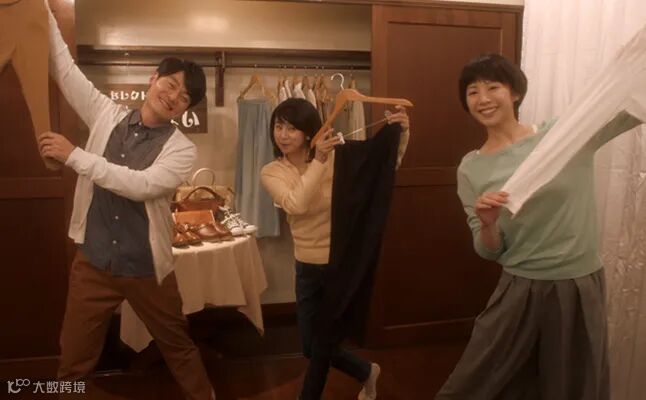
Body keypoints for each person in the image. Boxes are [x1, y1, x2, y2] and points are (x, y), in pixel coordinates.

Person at [435, 53, 644, 400]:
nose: (483, 98)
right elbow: (488, 250)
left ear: (515, 92)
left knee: (571, 386)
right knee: (475, 384)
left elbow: (630, 108)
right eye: (472, 92)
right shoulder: (471, 168)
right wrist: (488, 224)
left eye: (493, 87)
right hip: (520, 287)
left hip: (578, 284)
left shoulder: (562, 136)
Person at [39, 7, 214, 400]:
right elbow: (62, 67)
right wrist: (42, 10)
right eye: (170, 84)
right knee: (72, 359)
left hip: (147, 269)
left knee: (178, 349)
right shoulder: (105, 113)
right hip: (93, 263)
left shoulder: (182, 150)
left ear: (186, 109)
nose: (173, 97)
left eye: (184, 97)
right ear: (152, 79)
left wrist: (74, 156)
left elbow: (142, 186)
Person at [260, 98, 410, 400]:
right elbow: (296, 205)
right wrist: (318, 161)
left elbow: (384, 164)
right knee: (310, 346)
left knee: (322, 344)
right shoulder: (272, 171)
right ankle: (366, 371)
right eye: (278, 126)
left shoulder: (339, 157)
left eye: (292, 128)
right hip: (306, 266)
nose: (283, 135)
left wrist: (402, 132)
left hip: (342, 262)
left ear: (308, 131)